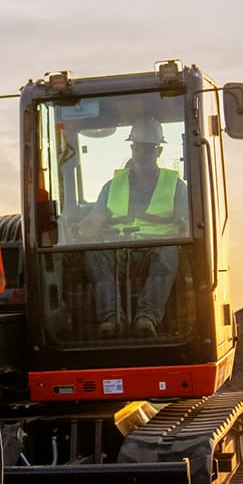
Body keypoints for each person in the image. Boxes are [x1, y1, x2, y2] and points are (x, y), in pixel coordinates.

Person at [75, 117, 187, 336]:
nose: (142, 154)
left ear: (159, 152)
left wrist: (184, 231)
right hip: (119, 251)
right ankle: (112, 318)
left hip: (156, 251)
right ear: (132, 149)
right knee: (95, 254)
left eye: (148, 149)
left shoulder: (175, 186)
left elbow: (187, 224)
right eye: (137, 148)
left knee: (169, 251)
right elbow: (95, 221)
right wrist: (79, 231)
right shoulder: (112, 187)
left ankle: (146, 318)